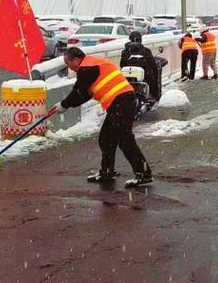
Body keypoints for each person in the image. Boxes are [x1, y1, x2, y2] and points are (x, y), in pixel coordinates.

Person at [53, 47, 153, 188]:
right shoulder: (90, 64)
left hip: (121, 102)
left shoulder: (86, 68)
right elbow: (84, 93)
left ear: (76, 60)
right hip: (121, 102)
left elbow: (80, 93)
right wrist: (64, 105)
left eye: (68, 63)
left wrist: (64, 105)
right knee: (106, 138)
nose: (69, 68)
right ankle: (107, 171)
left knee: (125, 140)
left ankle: (143, 174)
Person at [119, 31, 161, 102]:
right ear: (140, 39)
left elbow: (122, 64)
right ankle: (153, 95)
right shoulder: (146, 50)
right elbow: (152, 64)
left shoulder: (125, 51)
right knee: (152, 77)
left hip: (128, 76)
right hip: (144, 76)